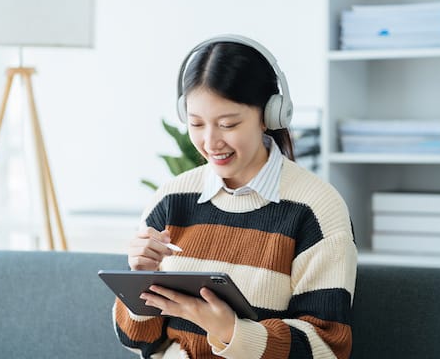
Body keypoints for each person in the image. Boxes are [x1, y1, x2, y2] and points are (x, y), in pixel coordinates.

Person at [113, 35, 357, 359]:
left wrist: (232, 333)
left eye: (228, 124)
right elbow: (138, 341)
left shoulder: (315, 210)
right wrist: (140, 281)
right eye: (197, 124)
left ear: (270, 115)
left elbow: (327, 348)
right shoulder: (172, 199)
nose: (211, 142)